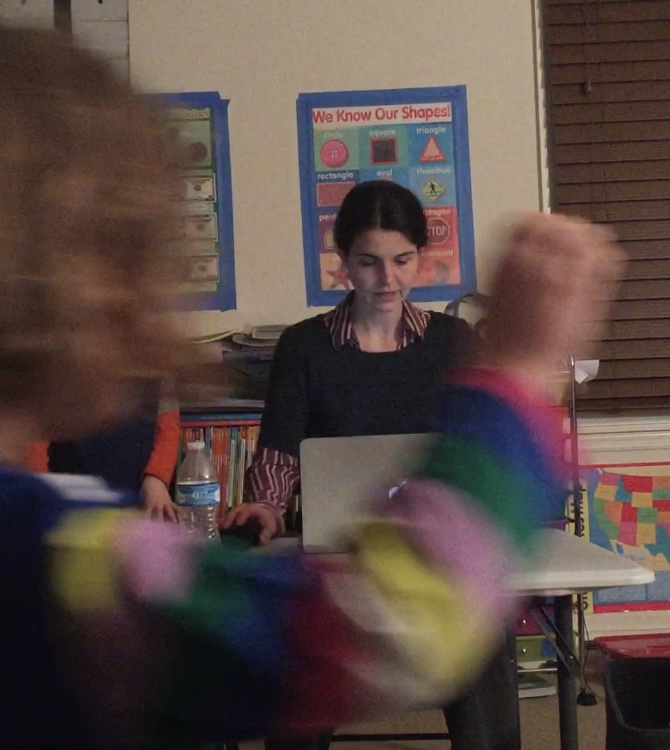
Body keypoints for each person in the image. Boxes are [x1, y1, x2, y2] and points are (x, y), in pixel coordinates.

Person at [0, 11, 625, 750]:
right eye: (128, 256)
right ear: (18, 299)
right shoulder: (56, 563)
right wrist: (518, 374)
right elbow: (393, 624)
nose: (154, 301)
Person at [219, 180, 530, 750]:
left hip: (432, 559)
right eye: (368, 263)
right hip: (337, 563)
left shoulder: (452, 341)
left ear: (420, 259)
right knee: (289, 639)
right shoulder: (304, 347)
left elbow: (476, 447)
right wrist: (264, 504)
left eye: (401, 261)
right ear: (342, 263)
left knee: (483, 626)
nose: (387, 280)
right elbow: (280, 451)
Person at [25, 379, 182, 520]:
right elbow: (38, 432)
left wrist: (157, 479)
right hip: (70, 500)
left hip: (137, 501)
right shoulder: (62, 361)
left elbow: (168, 425)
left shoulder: (156, 364)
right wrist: (41, 486)